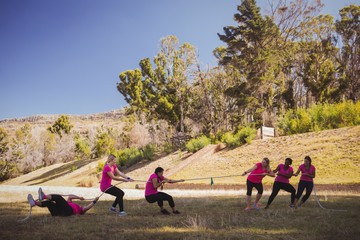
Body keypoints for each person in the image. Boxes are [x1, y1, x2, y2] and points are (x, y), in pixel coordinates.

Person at [27, 187, 99, 216]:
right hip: (58, 212)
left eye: (84, 206)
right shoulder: (69, 203)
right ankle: (34, 203)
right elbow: (70, 196)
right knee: (49, 203)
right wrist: (79, 197)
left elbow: (88, 207)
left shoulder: (80, 210)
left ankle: (43, 196)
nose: (83, 206)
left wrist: (94, 201)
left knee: (58, 197)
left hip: (68, 211)